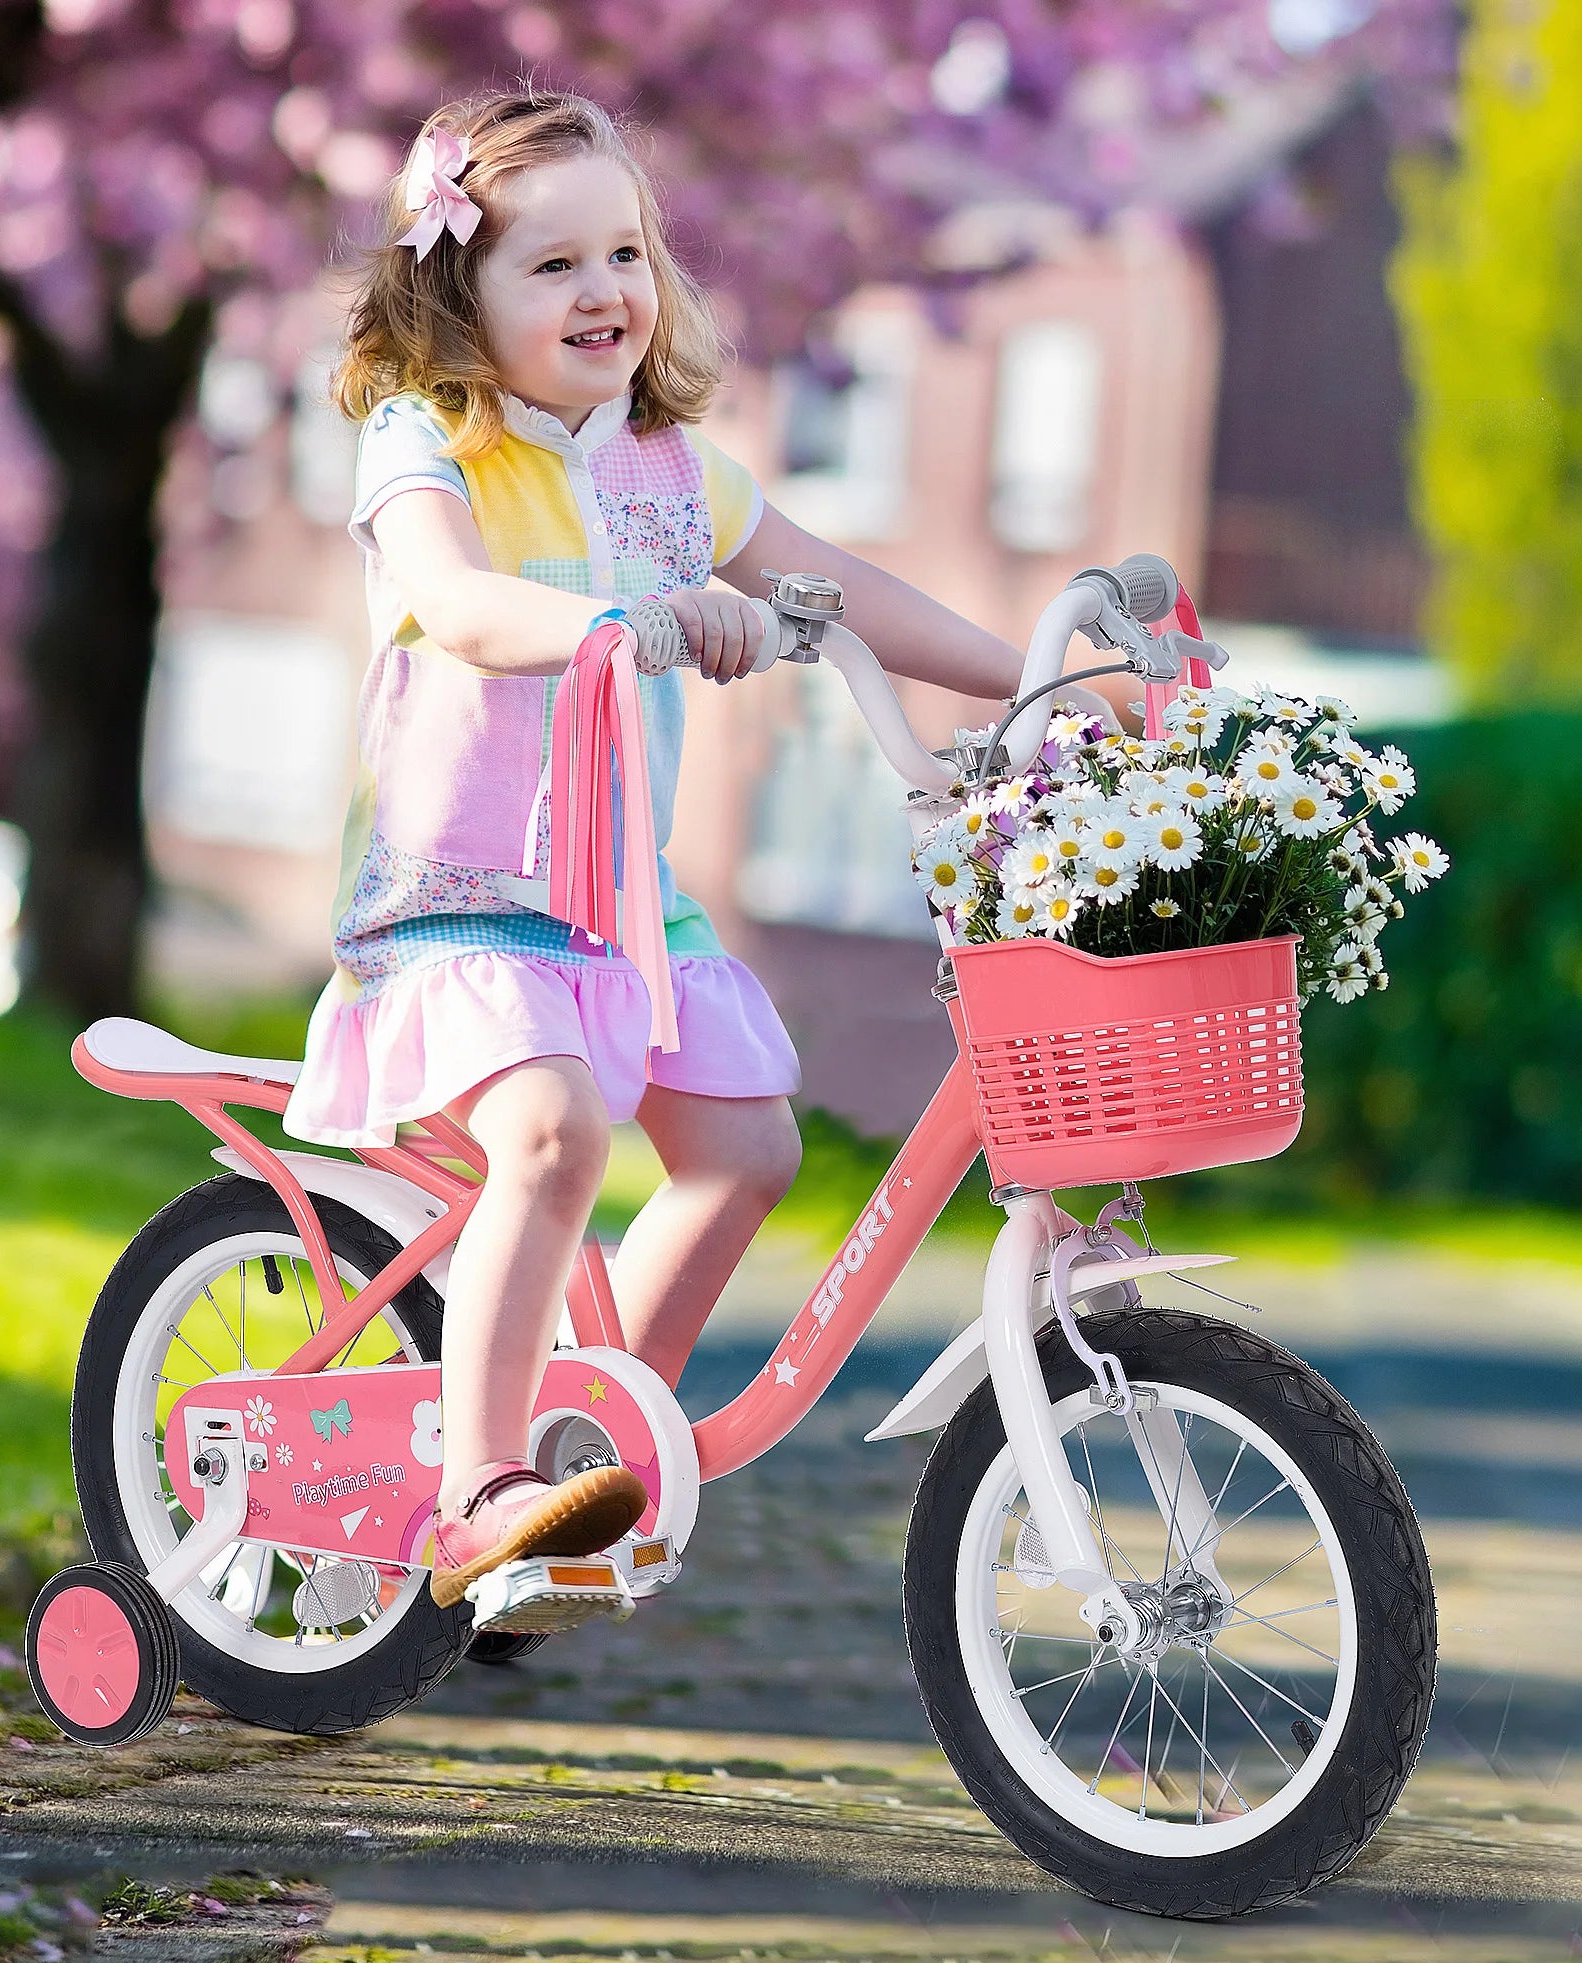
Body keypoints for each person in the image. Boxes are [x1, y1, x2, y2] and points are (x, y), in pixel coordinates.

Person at [284, 87, 1049, 1612]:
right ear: (458, 290)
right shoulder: (426, 441)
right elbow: (456, 604)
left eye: (623, 255)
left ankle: (572, 1439)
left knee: (752, 1145)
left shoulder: (670, 470)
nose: (603, 294)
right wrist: (617, 624)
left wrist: (1033, 674)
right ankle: (477, 1488)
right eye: (551, 265)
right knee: (557, 1133)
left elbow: (840, 588)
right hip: (463, 904)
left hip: (626, 909)